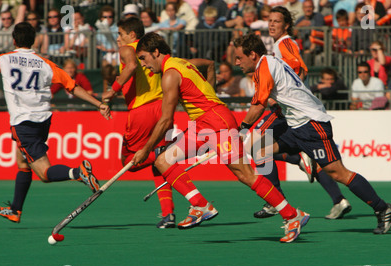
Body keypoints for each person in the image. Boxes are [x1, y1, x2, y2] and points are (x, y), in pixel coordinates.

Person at [133, 32, 310, 243]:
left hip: (218, 124)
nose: (143, 64)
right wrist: (209, 92)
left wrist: (145, 149)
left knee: (245, 175)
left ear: (155, 52)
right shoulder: (181, 62)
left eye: (143, 58)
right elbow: (209, 64)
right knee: (163, 160)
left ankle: (292, 215)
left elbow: (165, 120)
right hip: (201, 125)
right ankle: (200, 205)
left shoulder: (170, 74)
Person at [234, 33, 391, 234]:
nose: (236, 62)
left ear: (252, 54)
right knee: (258, 148)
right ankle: (282, 198)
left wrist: (239, 131)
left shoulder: (265, 66)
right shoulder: (269, 63)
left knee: (338, 173)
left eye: (239, 58)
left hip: (311, 124)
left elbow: (258, 105)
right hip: (294, 125)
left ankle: (383, 208)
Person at [0, 22, 111, 223]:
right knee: (22, 161)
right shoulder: (45, 63)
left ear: (14, 40)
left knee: (44, 173)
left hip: (24, 123)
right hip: (43, 121)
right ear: (34, 41)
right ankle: (15, 209)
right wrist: (98, 103)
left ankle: (78, 173)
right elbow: (72, 86)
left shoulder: (3, 59)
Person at [250, 6, 352, 220]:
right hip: (293, 110)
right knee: (272, 150)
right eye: (269, 20)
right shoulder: (281, 45)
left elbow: (299, 70)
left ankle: (274, 200)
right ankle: (338, 199)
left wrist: (278, 96)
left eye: (276, 21)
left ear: (286, 25)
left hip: (287, 110)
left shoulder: (284, 43)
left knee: (258, 145)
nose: (271, 24)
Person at [101, 17, 175, 228]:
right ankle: (168, 214)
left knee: (128, 162)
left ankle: (158, 153)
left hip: (142, 111)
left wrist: (112, 90)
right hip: (163, 108)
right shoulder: (154, 51)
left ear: (132, 35)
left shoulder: (128, 49)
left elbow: (131, 66)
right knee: (159, 164)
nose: (118, 39)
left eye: (120, 34)